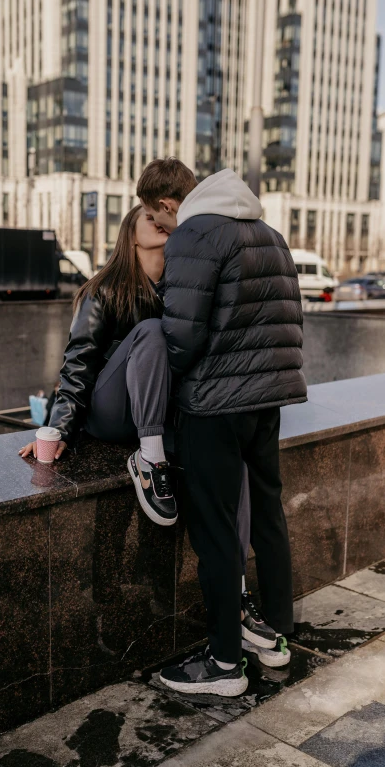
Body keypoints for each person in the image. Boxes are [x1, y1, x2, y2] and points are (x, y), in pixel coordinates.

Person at [137, 158, 307, 697]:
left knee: (213, 531)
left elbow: (181, 337)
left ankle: (224, 665)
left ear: (168, 204)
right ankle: (277, 631)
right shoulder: (270, 234)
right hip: (270, 398)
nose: (159, 228)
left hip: (214, 404)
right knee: (267, 508)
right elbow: (290, 319)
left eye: (153, 215)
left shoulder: (194, 235)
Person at [18, 205, 178, 527]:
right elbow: (78, 365)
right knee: (151, 330)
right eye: (149, 217)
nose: (159, 220)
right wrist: (59, 430)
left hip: (158, 415)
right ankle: (149, 460)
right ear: (130, 235)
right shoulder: (103, 290)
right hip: (111, 413)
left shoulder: (179, 292)